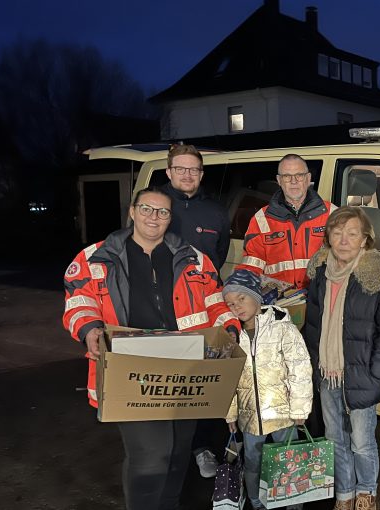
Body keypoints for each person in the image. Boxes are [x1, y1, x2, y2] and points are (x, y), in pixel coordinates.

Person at [62, 186, 240, 510]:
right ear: (132, 211)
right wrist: (89, 328)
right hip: (130, 368)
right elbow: (79, 302)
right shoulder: (93, 258)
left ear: (170, 218)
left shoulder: (194, 259)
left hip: (187, 369)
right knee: (150, 457)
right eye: (146, 209)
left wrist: (229, 327)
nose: (153, 217)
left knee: (176, 454)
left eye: (162, 212)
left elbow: (215, 301)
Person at [303, 207, 380, 510]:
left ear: (365, 239)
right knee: (335, 437)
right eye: (337, 232)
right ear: (329, 238)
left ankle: (366, 493)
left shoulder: (377, 275)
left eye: (352, 233)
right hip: (326, 369)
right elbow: (313, 323)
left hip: (360, 372)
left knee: (361, 441)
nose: (344, 239)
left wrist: (376, 373)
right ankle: (344, 495)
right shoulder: (320, 271)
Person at [161, 143, 232, 478]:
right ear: (169, 172)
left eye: (194, 170)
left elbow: (217, 257)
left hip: (201, 313)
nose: (187, 175)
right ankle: (169, 451)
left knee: (200, 383)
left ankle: (202, 447)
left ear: (201, 174)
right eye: (180, 169)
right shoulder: (155, 206)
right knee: (164, 383)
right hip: (159, 312)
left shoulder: (216, 211)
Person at [222, 269, 313, 510]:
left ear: (256, 296)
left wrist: (300, 408)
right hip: (250, 417)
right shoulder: (231, 336)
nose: (237, 307)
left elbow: (300, 368)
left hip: (283, 414)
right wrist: (230, 413)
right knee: (253, 462)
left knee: (289, 460)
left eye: (242, 298)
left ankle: (293, 503)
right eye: (230, 303)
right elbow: (227, 379)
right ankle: (257, 501)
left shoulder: (282, 327)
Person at [236, 153, 335, 289]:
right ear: (279, 180)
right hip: (278, 302)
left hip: (321, 300)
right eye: (287, 176)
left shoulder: (333, 214)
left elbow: (347, 257)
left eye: (299, 175)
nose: (293, 181)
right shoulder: (261, 219)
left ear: (308, 178)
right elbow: (251, 267)